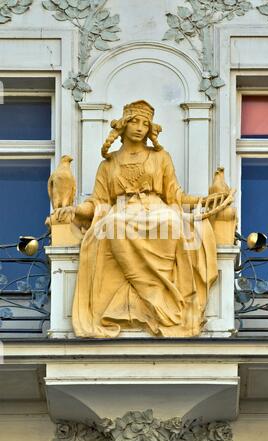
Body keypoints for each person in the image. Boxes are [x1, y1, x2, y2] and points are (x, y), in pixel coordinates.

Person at [55, 100, 218, 338]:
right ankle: (154, 297)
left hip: (156, 207)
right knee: (112, 224)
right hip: (122, 209)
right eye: (134, 121)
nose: (140, 127)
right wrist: (76, 211)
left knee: (172, 224)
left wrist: (204, 202)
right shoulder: (108, 164)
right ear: (123, 126)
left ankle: (165, 296)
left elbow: (175, 195)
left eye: (145, 123)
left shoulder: (161, 157)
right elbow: (99, 201)